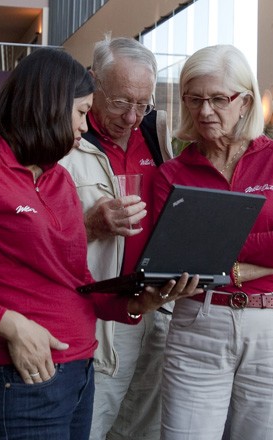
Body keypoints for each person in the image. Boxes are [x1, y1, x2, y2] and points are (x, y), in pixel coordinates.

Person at [0, 48, 201, 440]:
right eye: (80, 113)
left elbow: (74, 283)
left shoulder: (58, 179)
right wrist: (10, 325)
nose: (86, 127)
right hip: (17, 375)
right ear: (48, 105)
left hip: (80, 370)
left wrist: (138, 303)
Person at [153, 45, 273, 439]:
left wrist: (213, 239)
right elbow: (171, 256)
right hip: (198, 324)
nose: (205, 111)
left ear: (244, 101)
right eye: (194, 99)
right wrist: (270, 245)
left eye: (217, 99)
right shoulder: (170, 174)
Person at [59, 36, 173, 440]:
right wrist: (87, 226)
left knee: (145, 426)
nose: (131, 117)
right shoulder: (63, 139)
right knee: (93, 419)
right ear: (93, 82)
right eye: (122, 102)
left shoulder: (159, 134)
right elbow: (32, 233)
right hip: (99, 312)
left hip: (158, 305)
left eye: (143, 103)